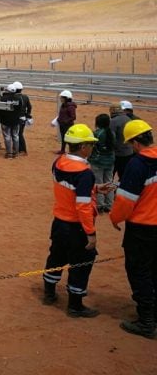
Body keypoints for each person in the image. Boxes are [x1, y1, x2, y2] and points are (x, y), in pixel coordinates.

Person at [41, 124, 99, 318]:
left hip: (59, 222)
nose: (92, 147)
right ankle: (75, 304)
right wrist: (90, 233)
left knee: (56, 256)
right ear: (82, 146)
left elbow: (68, 188)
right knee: (81, 263)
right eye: (90, 144)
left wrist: (95, 188)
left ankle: (49, 292)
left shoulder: (58, 162)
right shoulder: (84, 173)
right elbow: (83, 206)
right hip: (77, 227)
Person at [110, 119, 157, 339]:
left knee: (139, 271)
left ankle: (146, 321)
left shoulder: (138, 164)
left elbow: (125, 201)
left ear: (137, 142)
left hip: (142, 228)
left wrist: (115, 218)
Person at [90, 113, 116, 214]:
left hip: (98, 161)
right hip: (110, 161)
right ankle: (109, 204)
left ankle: (100, 205)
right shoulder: (112, 133)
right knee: (109, 181)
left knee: (98, 182)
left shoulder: (97, 134)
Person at [112, 101, 138, 181]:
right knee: (124, 175)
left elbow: (112, 138)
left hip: (117, 153)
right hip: (129, 152)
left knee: (110, 175)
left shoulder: (113, 121)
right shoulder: (131, 120)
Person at [0, 84, 23, 159]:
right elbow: (21, 108)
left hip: (5, 120)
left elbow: (0, 109)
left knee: (7, 136)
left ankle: (9, 153)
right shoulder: (19, 98)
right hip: (16, 120)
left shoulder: (3, 98)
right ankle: (16, 153)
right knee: (16, 136)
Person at [13, 81, 32, 155]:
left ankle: (23, 150)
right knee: (19, 133)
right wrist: (27, 115)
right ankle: (19, 148)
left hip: (17, 118)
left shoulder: (15, 97)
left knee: (18, 134)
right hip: (23, 118)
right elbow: (29, 107)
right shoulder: (25, 97)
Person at [56, 90, 77, 154]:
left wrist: (65, 121)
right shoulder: (63, 105)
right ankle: (63, 150)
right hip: (62, 124)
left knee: (68, 139)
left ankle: (72, 151)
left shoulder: (71, 107)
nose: (61, 99)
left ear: (66, 98)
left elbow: (73, 117)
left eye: (62, 98)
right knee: (63, 138)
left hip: (68, 125)